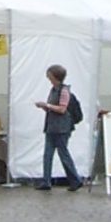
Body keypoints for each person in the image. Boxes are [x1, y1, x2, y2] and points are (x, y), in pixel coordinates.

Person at [34, 64, 84, 192]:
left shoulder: (64, 91)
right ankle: (46, 181)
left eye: (49, 75)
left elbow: (62, 109)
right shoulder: (53, 90)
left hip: (62, 128)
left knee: (63, 154)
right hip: (52, 127)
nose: (48, 77)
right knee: (48, 155)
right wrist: (45, 107)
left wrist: (47, 105)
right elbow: (55, 108)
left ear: (55, 76)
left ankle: (75, 180)